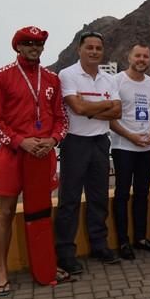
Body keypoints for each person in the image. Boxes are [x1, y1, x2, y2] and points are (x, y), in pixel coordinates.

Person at [0, 26, 68, 296]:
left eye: (38, 44)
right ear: (18, 47)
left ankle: (45, 264)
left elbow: (61, 119)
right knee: (6, 213)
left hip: (43, 156)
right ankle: (2, 271)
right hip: (13, 154)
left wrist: (53, 140)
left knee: (41, 213)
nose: (34, 47)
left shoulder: (52, 79)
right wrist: (20, 141)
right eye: (28, 43)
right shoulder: (1, 76)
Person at [55, 31, 122, 274]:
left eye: (98, 48)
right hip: (75, 142)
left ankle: (99, 245)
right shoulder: (68, 74)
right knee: (69, 200)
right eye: (89, 47)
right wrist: (102, 105)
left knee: (99, 197)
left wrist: (90, 109)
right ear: (79, 50)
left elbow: (117, 112)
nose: (94, 51)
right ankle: (65, 253)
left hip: (100, 142)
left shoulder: (109, 79)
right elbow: (76, 106)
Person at [109, 44, 150, 260]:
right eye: (138, 55)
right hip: (124, 147)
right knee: (122, 194)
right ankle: (123, 241)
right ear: (129, 57)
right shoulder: (117, 81)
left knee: (141, 193)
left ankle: (140, 238)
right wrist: (130, 136)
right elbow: (110, 118)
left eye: (145, 56)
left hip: (147, 147)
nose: (141, 59)